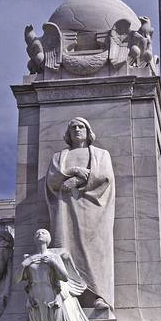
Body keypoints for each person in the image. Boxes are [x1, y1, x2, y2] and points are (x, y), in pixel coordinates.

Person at [45, 117, 115, 310]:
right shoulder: (59, 157)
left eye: (81, 126)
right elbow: (52, 180)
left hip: (93, 210)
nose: (77, 129)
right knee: (65, 250)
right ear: (68, 133)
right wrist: (74, 171)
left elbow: (105, 177)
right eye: (73, 127)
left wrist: (76, 181)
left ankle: (99, 295)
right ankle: (66, 294)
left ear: (88, 130)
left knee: (95, 252)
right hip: (65, 210)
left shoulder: (101, 154)